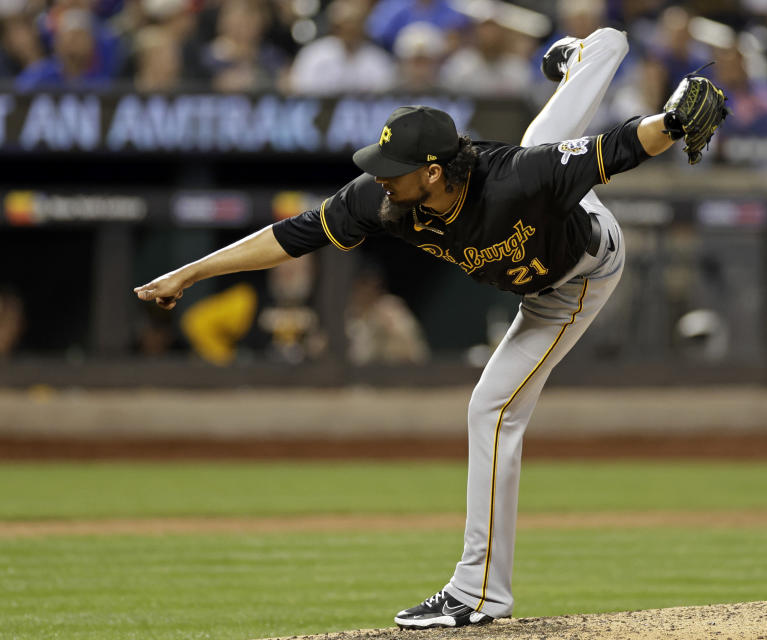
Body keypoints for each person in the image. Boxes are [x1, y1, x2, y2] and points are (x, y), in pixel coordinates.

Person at [135, 27, 724, 629]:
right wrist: (192, 271)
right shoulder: (384, 199)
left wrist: (673, 124)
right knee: (542, 141)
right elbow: (295, 234)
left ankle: (478, 594)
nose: (382, 176)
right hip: (543, 227)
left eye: (396, 168)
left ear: (436, 172)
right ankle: (599, 51)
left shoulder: (516, 181)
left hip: (577, 275)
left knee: (491, 408)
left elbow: (619, 148)